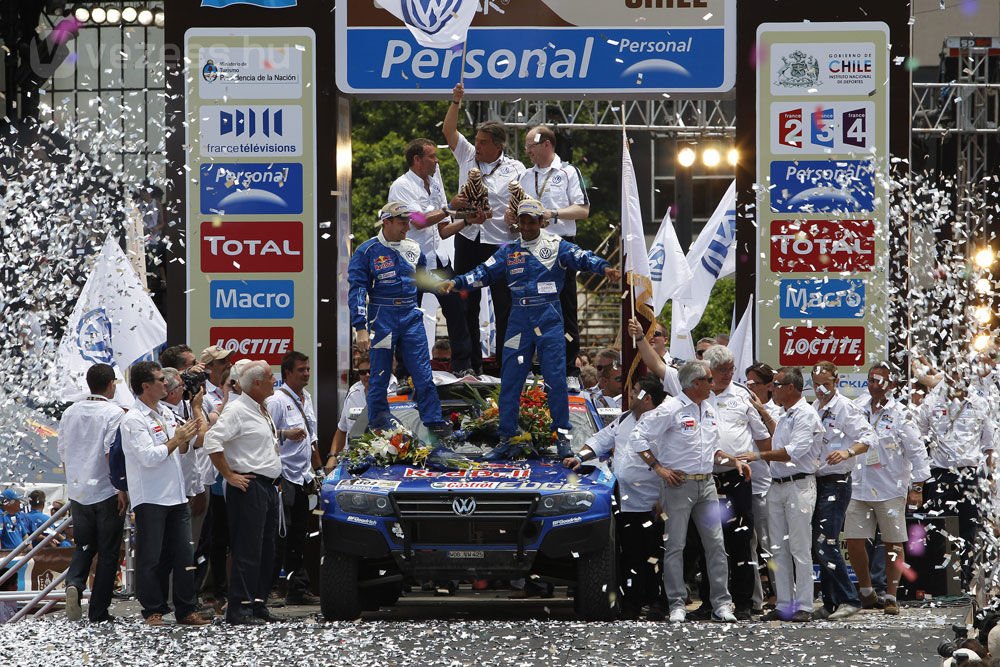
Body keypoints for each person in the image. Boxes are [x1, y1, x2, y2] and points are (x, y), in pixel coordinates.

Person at [442, 198, 620, 459]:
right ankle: (508, 438)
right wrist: (457, 283)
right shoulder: (508, 250)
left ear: (542, 221)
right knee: (510, 380)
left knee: (556, 381)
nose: (526, 225)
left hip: (549, 318)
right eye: (522, 220)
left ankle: (562, 439)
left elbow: (583, 257)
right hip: (518, 320)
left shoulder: (556, 245)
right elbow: (483, 272)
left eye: (531, 220)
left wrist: (604, 267)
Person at [629, 360, 751, 624]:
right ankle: (675, 603)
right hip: (678, 484)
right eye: (708, 379)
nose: (712, 383)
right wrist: (658, 468)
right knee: (675, 545)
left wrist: (733, 460)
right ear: (695, 383)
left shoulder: (708, 408)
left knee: (716, 544)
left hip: (706, 483)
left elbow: (711, 450)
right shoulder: (670, 408)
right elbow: (638, 437)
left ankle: (721, 603)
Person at [564, 374, 668, 620]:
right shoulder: (624, 419)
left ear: (647, 398)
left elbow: (670, 460)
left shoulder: (663, 423)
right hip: (627, 501)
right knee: (630, 555)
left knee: (655, 555)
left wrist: (663, 498)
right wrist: (579, 457)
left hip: (655, 501)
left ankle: (656, 602)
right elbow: (600, 441)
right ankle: (631, 604)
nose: (630, 395)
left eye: (635, 392)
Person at [348, 201, 452, 439]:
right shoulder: (366, 251)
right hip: (381, 319)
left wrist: (440, 285)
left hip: (410, 315)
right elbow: (357, 291)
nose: (408, 226)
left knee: (423, 371)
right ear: (387, 222)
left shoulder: (414, 248)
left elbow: (423, 279)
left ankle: (434, 421)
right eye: (402, 222)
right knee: (380, 373)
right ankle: (379, 421)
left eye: (408, 221)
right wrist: (360, 328)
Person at [443, 82, 525, 373]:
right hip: (468, 237)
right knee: (466, 302)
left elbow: (520, 203)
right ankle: (468, 365)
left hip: (500, 242)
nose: (476, 145)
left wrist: (513, 219)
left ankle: (505, 365)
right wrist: (456, 101)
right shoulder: (466, 155)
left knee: (504, 304)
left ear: (498, 145)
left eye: (482, 142)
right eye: (476, 140)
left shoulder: (516, 168)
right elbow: (449, 132)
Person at [120, 361, 208, 627]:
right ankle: (153, 610)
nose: (166, 383)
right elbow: (149, 457)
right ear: (146, 386)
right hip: (151, 497)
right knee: (151, 557)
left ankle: (186, 609)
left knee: (183, 555)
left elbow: (187, 446)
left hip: (176, 495)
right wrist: (176, 440)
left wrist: (193, 416)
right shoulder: (133, 419)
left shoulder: (166, 414)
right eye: (160, 380)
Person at [737, 367, 824, 622]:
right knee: (777, 548)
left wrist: (758, 455)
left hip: (798, 485)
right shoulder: (786, 415)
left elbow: (792, 451)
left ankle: (805, 605)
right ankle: (784, 603)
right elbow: (778, 438)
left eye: (776, 384)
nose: (772, 388)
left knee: (799, 547)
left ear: (791, 388)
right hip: (777, 485)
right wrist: (764, 413)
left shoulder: (806, 414)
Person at [204, 361, 286, 625]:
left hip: (268, 487)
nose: (276, 381)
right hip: (249, 487)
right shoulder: (237, 410)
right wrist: (228, 475)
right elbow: (211, 440)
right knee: (248, 549)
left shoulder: (260, 408)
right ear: (257, 384)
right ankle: (239, 608)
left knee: (266, 550)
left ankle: (258, 603)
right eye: (271, 377)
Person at [846, 363, 931, 616]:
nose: (875, 386)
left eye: (880, 381)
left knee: (893, 543)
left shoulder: (900, 414)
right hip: (859, 485)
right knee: (853, 540)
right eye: (871, 380)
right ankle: (866, 591)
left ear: (891, 385)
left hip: (890, 487)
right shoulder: (856, 408)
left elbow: (917, 452)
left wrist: (916, 487)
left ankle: (891, 594)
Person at [698, 345, 774, 621]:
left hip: (738, 476)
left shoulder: (742, 396)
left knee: (741, 539)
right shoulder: (697, 396)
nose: (728, 375)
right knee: (708, 540)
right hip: (706, 477)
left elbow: (764, 439)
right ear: (709, 371)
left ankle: (743, 602)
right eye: (722, 371)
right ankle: (710, 601)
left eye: (731, 369)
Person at [388, 138, 471, 373]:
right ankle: (405, 372)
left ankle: (462, 367)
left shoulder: (434, 185)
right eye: (432, 157)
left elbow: (443, 229)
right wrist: (448, 208)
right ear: (417, 160)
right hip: (412, 264)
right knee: (408, 318)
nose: (436, 161)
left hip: (439, 260)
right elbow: (419, 221)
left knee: (457, 309)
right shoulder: (401, 186)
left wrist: (468, 220)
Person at [514, 124, 590, 378]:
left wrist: (553, 213)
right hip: (529, 248)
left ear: (546, 144)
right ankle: (528, 365)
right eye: (526, 147)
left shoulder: (568, 172)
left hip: (559, 246)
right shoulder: (524, 176)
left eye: (531, 146)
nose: (527, 152)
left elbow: (583, 210)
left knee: (564, 306)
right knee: (527, 306)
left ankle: (568, 368)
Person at [57, 363, 127, 622]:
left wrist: (73, 483)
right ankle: (98, 611)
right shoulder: (113, 412)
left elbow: (63, 453)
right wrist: (121, 487)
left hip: (78, 490)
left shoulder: (70, 412)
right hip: (106, 490)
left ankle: (74, 582)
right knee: (109, 552)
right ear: (111, 385)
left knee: (84, 546)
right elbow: (112, 452)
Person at [915, 367, 995, 586]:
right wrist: (917, 479)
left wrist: (989, 481)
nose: (956, 378)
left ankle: (963, 580)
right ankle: (939, 582)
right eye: (952, 373)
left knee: (968, 529)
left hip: (970, 476)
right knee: (937, 528)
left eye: (961, 373)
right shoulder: (931, 402)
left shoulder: (979, 403)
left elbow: (988, 446)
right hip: (940, 474)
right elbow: (917, 439)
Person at [810, 361, 876, 620]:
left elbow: (870, 437)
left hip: (837, 481)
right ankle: (830, 601)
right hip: (816, 480)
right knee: (819, 543)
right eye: (816, 386)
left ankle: (850, 598)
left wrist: (848, 451)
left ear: (836, 382)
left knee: (826, 542)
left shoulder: (846, 407)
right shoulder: (814, 407)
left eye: (826, 385)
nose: (821, 390)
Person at [266, 351, 322, 606]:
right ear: (287, 373)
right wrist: (285, 433)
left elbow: (312, 439)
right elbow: (265, 435)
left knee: (300, 535)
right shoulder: (277, 400)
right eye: (301, 370)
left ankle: (298, 588)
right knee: (279, 536)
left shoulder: (307, 397)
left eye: (308, 369)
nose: (306, 373)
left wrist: (318, 472)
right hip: (284, 476)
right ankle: (269, 589)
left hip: (303, 477)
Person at [160, 368, 211, 573]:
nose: (186, 389)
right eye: (183, 386)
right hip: (174, 492)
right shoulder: (166, 414)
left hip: (188, 488)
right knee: (179, 551)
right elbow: (202, 438)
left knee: (188, 548)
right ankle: (174, 599)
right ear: (172, 393)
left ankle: (184, 595)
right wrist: (197, 407)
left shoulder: (181, 408)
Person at [744, 362, 781, 613]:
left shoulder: (777, 410)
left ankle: (780, 594)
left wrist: (761, 411)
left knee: (769, 545)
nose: (749, 387)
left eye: (754, 383)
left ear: (768, 386)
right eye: (746, 382)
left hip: (765, 485)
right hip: (744, 483)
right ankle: (755, 599)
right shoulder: (741, 406)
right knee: (748, 544)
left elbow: (780, 440)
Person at [627, 317, 682, 396]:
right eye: (646, 333)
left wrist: (640, 338)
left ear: (665, 340)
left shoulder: (679, 366)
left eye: (655, 334)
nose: (650, 337)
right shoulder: (637, 365)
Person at [200, 345, 234, 425]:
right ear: (208, 366)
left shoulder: (237, 387)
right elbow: (205, 427)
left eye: (229, 360)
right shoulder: (202, 394)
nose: (229, 364)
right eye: (222, 361)